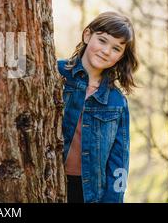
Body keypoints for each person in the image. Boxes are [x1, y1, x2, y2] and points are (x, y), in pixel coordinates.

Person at [57, 11, 138, 203]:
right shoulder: (56, 74)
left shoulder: (116, 101)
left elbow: (119, 161)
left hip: (89, 193)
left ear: (120, 57)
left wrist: (113, 199)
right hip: (47, 181)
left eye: (116, 48)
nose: (106, 51)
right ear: (87, 35)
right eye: (102, 40)